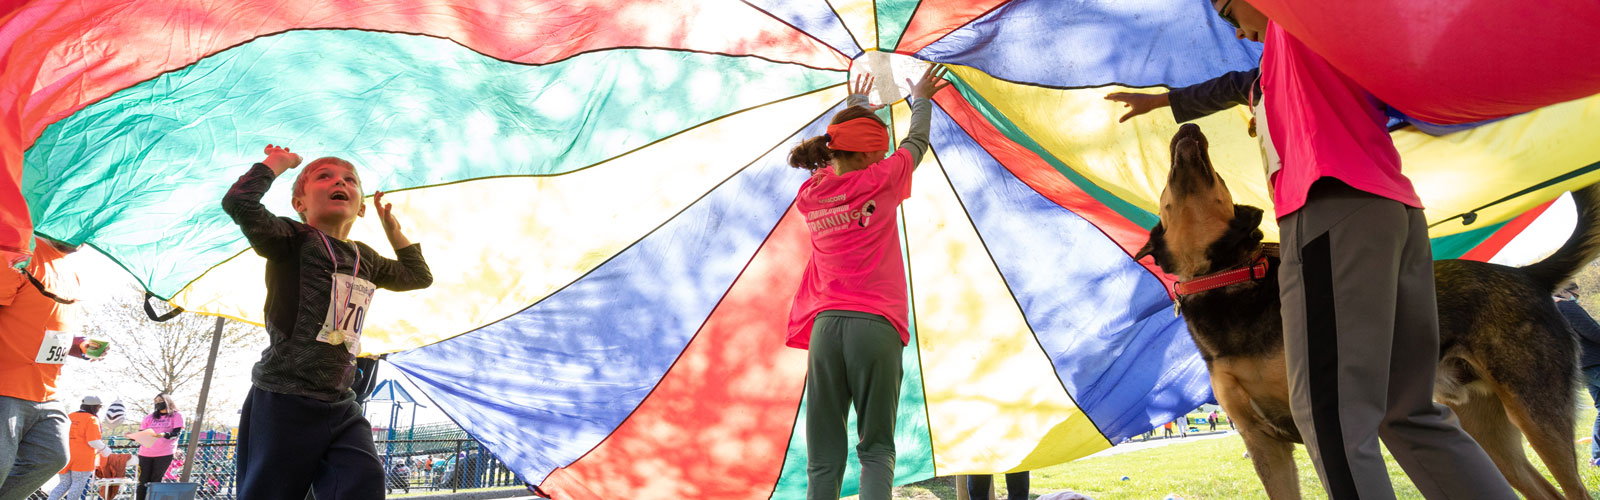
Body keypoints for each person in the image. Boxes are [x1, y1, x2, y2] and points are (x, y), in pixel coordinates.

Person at [1207, 1, 1516, 498]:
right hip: (1394, 213)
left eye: (1226, 15)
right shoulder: (1315, 47)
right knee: (1407, 411)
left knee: (1328, 415)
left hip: (1330, 209)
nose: (1237, 33)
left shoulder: (1293, 29)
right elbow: (1226, 86)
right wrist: (1165, 103)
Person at [222, 145, 433, 500]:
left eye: (350, 180)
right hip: (285, 396)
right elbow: (239, 202)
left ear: (361, 207)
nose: (341, 182)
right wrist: (277, 164)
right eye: (325, 176)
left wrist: (392, 228)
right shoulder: (290, 239)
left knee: (362, 483)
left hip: (340, 402)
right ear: (299, 204)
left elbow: (417, 275)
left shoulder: (366, 257)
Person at [786, 66, 948, 500]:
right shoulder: (883, 179)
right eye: (876, 152)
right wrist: (922, 99)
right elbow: (916, 144)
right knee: (876, 449)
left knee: (823, 456)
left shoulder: (811, 195)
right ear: (868, 156)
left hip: (825, 329)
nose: (881, 158)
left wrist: (856, 108)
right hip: (875, 326)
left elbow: (841, 152)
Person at [0, 237, 100, 499]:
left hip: (47, 393)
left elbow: (48, 328)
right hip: (6, 387)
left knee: (52, 457)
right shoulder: (21, 255)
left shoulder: (70, 272)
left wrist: (79, 345)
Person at [1554, 283, 1600, 466]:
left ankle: (1597, 457)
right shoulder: (1566, 306)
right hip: (1595, 362)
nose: (1576, 298)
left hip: (1580, 366)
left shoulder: (1547, 312)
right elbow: (1593, 332)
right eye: (1574, 294)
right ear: (1562, 290)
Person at [44, 396, 109, 500]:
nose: (99, 409)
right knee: (77, 484)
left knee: (64, 483)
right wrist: (105, 449)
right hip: (82, 458)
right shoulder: (91, 419)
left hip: (65, 454)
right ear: (93, 407)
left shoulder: (69, 416)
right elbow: (93, 441)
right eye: (98, 407)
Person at [135, 393, 182, 500]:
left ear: (167, 401)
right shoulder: (149, 417)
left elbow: (176, 433)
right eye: (156, 401)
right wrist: (135, 437)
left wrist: (164, 434)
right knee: (143, 481)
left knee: (155, 480)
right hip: (145, 453)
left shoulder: (176, 415)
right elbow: (142, 433)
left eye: (160, 400)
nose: (158, 403)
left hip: (164, 453)